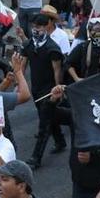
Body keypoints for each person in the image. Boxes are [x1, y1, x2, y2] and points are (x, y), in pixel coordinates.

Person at [23, 14, 67, 168]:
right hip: (36, 89)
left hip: (48, 91)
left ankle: (36, 157)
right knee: (49, 117)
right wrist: (19, 83)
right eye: (34, 26)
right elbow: (23, 64)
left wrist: (58, 89)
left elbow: (57, 70)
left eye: (39, 27)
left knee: (44, 123)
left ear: (46, 27)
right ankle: (60, 141)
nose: (36, 29)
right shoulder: (30, 44)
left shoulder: (52, 48)